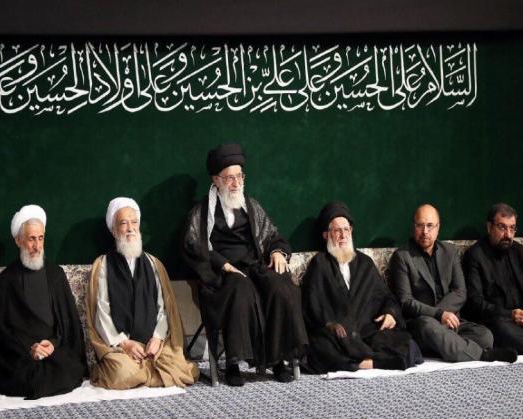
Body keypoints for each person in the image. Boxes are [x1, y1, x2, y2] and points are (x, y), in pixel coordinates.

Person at [182, 143, 308, 386]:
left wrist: (278, 252)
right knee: (240, 288)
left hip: (255, 266)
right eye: (230, 178)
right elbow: (192, 244)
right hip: (223, 274)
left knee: (281, 287)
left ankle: (278, 360)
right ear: (216, 180)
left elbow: (272, 236)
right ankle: (232, 363)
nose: (236, 183)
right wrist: (223, 264)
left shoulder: (251, 206)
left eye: (239, 176)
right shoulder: (202, 211)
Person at [86, 198, 198, 389]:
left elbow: (164, 309)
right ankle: (148, 373)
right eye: (123, 223)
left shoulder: (154, 264)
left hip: (154, 346)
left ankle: (144, 371)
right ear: (113, 230)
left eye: (134, 222)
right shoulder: (103, 265)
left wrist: (157, 338)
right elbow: (102, 313)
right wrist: (125, 344)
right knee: (122, 372)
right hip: (120, 348)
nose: (130, 228)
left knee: (182, 369)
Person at [302, 202, 422, 373]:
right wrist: (331, 324)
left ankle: (358, 363)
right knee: (319, 346)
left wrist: (390, 314)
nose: (343, 235)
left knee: (407, 344)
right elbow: (312, 307)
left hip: (366, 331)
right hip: (339, 336)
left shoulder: (365, 263)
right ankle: (372, 363)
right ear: (326, 235)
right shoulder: (319, 264)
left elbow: (386, 296)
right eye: (337, 231)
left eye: (346, 229)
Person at [389, 204, 516, 363]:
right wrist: (438, 314)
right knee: (428, 326)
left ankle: (448, 347)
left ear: (438, 227)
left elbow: (460, 291)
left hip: (451, 321)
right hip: (421, 322)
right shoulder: (402, 256)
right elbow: (405, 301)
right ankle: (482, 355)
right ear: (413, 227)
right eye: (420, 225)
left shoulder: (450, 251)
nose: (425, 231)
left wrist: (444, 315)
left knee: (485, 336)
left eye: (430, 225)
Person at [0, 205, 87, 399]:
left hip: (54, 353)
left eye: (40, 238)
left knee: (67, 369)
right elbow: (0, 331)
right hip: (22, 357)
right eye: (31, 239)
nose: (37, 245)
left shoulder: (56, 275)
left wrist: (53, 344)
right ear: (18, 240)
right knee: (28, 377)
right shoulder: (5, 280)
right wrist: (29, 350)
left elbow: (70, 324)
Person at [463, 203, 523, 354]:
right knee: (499, 328)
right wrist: (510, 315)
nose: (508, 235)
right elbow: (475, 302)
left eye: (512, 228)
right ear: (489, 227)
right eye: (502, 227)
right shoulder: (475, 255)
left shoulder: (521, 252)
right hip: (500, 321)